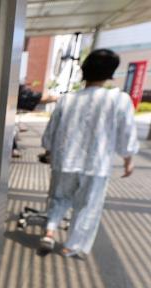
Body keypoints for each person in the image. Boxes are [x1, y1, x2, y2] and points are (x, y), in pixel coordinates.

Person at [39, 49, 139, 257]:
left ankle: (49, 232)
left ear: (85, 70)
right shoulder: (119, 100)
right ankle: (71, 246)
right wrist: (128, 159)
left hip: (65, 160)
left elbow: (52, 130)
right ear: (110, 73)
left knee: (59, 197)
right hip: (96, 164)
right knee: (87, 206)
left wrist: (49, 150)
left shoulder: (68, 99)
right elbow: (126, 133)